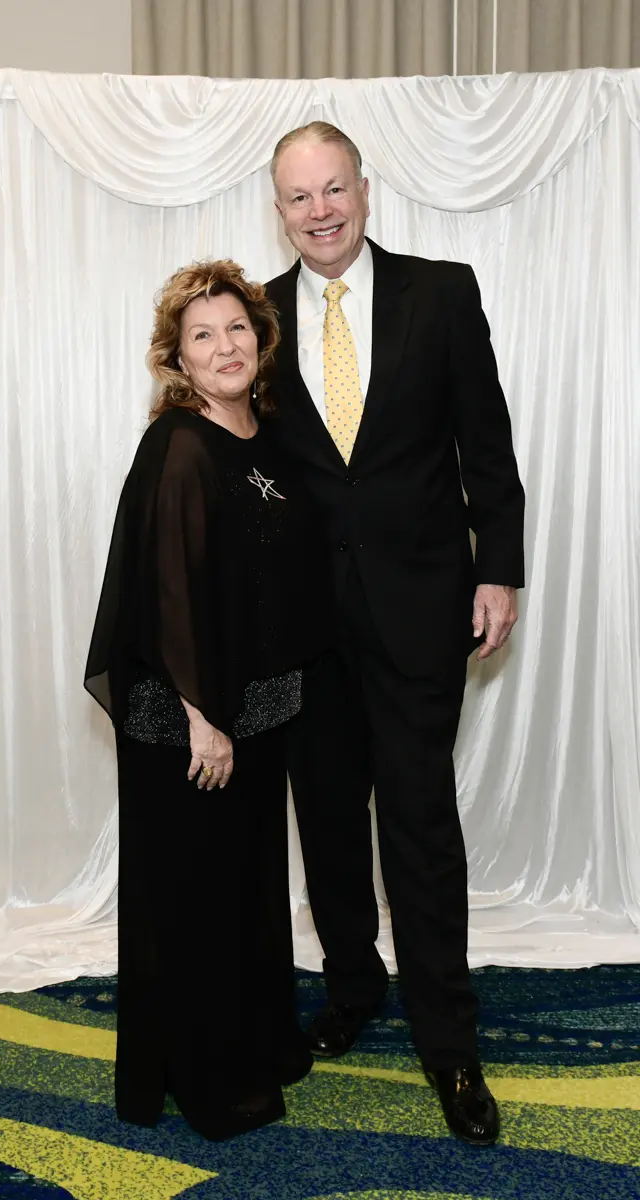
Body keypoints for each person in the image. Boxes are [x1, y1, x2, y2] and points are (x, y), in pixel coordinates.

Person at [265, 122, 526, 1145]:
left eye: (333, 188)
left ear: (364, 191)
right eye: (299, 196)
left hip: (421, 608)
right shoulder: (256, 319)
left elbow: (486, 444)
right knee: (327, 819)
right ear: (279, 211)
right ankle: (351, 986)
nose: (319, 211)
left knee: (417, 824)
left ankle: (448, 1042)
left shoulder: (441, 294)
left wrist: (498, 568)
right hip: (303, 624)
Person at [84, 259, 330, 1141]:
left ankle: (256, 1041)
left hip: (258, 709)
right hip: (192, 722)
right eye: (202, 335)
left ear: (260, 339)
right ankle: (207, 1079)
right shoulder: (181, 444)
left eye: (236, 328)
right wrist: (203, 718)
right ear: (176, 358)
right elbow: (170, 591)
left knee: (246, 889)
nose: (224, 346)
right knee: (196, 901)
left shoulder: (269, 432)